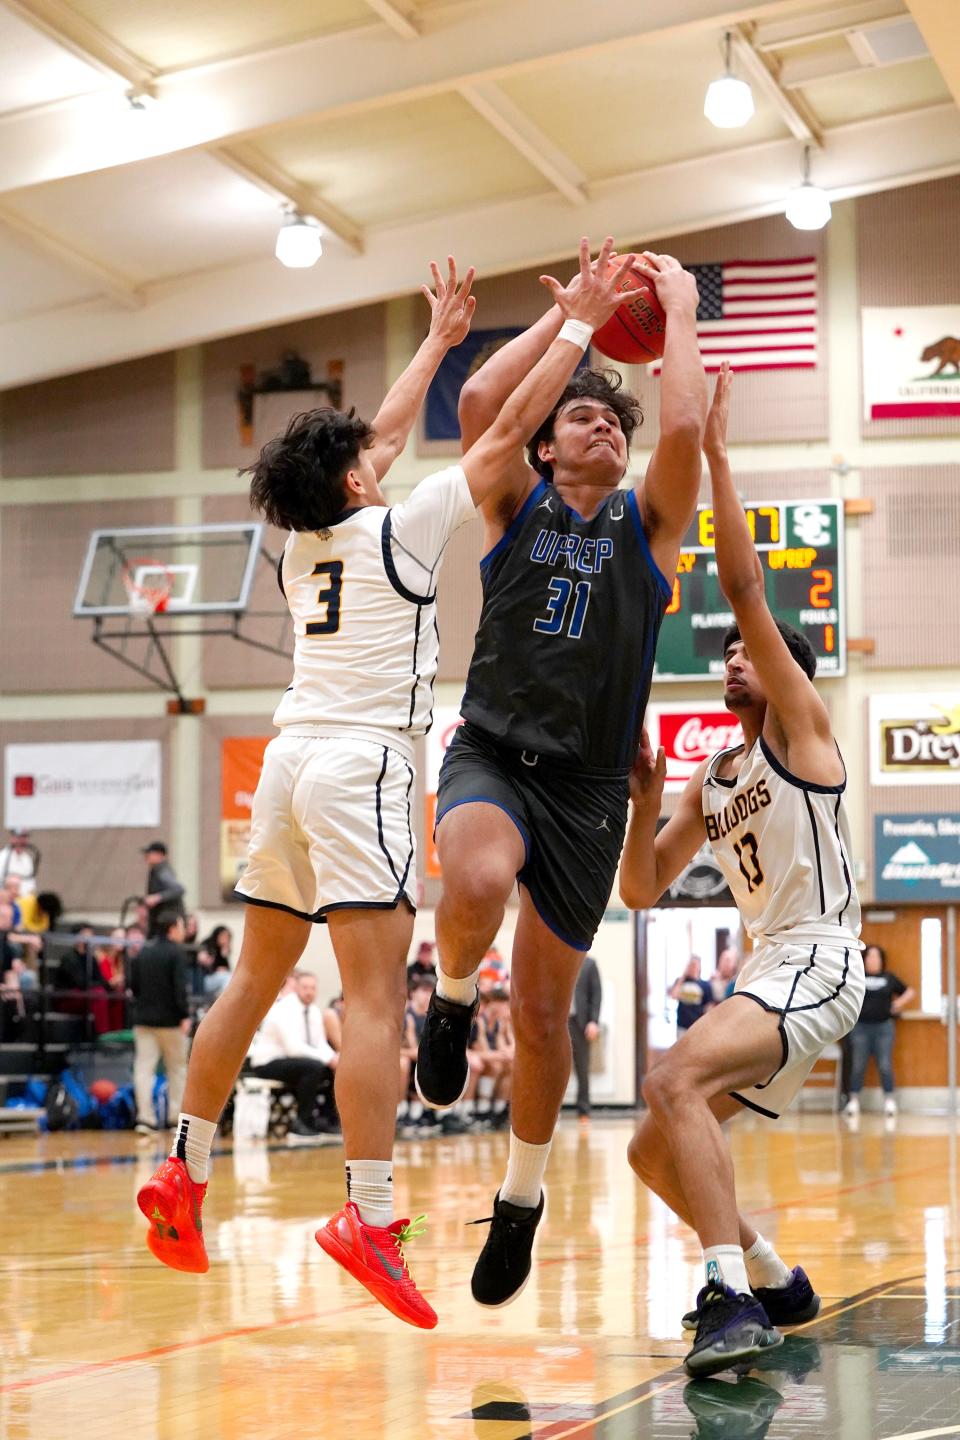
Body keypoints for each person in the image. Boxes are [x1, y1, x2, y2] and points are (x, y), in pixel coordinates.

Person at [135, 241, 636, 1327]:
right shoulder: (406, 532)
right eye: (369, 457)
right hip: (362, 765)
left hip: (283, 767)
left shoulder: (291, 546)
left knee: (254, 980)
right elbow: (504, 436)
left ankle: (183, 1166)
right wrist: (582, 325)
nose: (384, 454)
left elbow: (383, 436)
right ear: (361, 483)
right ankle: (366, 1213)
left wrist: (439, 342)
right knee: (371, 995)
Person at [413, 248, 706, 1310]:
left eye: (614, 425)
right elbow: (486, 399)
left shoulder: (648, 527)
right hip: (494, 750)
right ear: (547, 445)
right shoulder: (512, 503)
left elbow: (681, 428)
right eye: (586, 421)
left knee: (543, 1016)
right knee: (478, 881)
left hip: (588, 792)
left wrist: (676, 309)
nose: (607, 430)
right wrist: (573, 323)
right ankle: (446, 1002)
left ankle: (521, 1198)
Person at [618, 363, 865, 1378]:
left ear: (788, 672)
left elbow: (747, 588)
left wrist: (716, 456)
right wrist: (640, 801)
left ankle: (728, 1300)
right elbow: (640, 890)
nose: (731, 659)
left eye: (746, 654)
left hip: (821, 961)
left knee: (670, 1075)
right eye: (723, 654)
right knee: (649, 1145)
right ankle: (772, 1276)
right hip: (771, 973)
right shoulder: (708, 777)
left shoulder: (802, 733)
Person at [249, 971, 339, 1135]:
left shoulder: (314, 1011)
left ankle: (327, 1119)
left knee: (334, 1068)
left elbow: (320, 1044)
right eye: (305, 987)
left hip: (294, 1061)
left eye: (313, 988)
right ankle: (302, 1122)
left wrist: (334, 1059)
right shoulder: (284, 1008)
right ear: (296, 988)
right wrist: (327, 1058)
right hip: (268, 1062)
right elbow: (294, 1048)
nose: (309, 991)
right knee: (314, 1067)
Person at [128, 915, 191, 1135]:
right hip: (171, 1022)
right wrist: (184, 1015)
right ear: (172, 928)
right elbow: (179, 988)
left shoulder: (143, 952)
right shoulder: (176, 953)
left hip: (143, 1020)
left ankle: (145, 1119)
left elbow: (133, 986)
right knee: (177, 1069)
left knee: (144, 1069)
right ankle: (176, 1119)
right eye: (182, 925)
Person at [843, 943, 914, 1119]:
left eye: (877, 957)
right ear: (865, 959)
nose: (873, 960)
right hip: (860, 1028)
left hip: (884, 1028)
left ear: (881, 960)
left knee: (884, 1065)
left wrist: (898, 1004)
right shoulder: (857, 977)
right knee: (858, 1065)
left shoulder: (888, 978)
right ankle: (853, 1101)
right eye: (870, 956)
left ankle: (889, 1101)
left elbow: (909, 991)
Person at [569, 952, 602, 1121]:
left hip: (580, 1023)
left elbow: (596, 995)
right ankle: (551, 1111)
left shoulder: (589, 964)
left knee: (582, 1068)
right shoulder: (560, 959)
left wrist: (593, 1021)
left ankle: (583, 1110)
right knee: (554, 1068)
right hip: (560, 1022)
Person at [141, 841, 186, 938]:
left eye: (150, 853)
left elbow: (179, 889)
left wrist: (157, 898)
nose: (146, 856)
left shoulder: (162, 870)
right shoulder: (156, 870)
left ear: (159, 855)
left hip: (167, 926)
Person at [670, 957, 713, 1033]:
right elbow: (673, 995)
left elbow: (709, 1006)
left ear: (699, 967)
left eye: (694, 965)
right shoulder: (680, 982)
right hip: (682, 1025)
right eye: (690, 965)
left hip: (698, 1026)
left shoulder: (705, 985)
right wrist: (683, 976)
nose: (692, 967)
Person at [196, 925, 233, 997]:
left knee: (230, 977)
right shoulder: (207, 944)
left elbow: (226, 967)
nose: (225, 939)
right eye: (224, 936)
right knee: (226, 977)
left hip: (216, 979)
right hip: (204, 979)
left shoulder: (222, 948)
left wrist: (224, 952)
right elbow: (205, 963)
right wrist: (217, 969)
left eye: (227, 937)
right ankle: (226, 1001)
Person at [0, 830, 37, 894]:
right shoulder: (3, 857)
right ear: (12, 838)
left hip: (25, 900)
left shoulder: (27, 859)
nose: (22, 841)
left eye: (25, 837)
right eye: (19, 837)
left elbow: (31, 881)